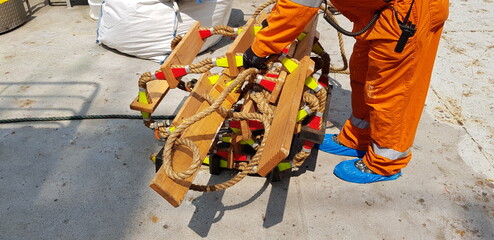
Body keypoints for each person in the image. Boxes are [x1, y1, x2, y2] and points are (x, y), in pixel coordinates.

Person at [243, 0, 449, 183]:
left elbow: (299, 3)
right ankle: (358, 137)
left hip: (408, 13)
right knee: (363, 74)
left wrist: (261, 48)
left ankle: (385, 162)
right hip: (378, 10)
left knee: (392, 91)